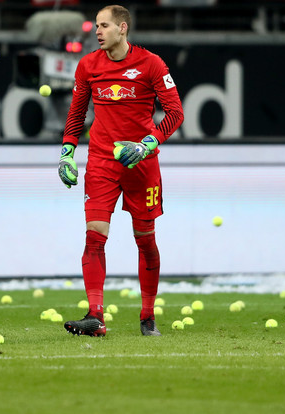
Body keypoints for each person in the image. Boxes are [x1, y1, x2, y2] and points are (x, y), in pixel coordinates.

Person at [58, 4, 184, 337]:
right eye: (96, 26)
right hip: (101, 161)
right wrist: (67, 152)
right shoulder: (88, 65)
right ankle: (95, 316)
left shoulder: (151, 64)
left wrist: (147, 144)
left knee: (144, 240)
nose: (97, 31)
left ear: (122, 28)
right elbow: (76, 113)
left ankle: (147, 317)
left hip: (141, 163)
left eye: (103, 25)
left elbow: (175, 114)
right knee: (94, 236)